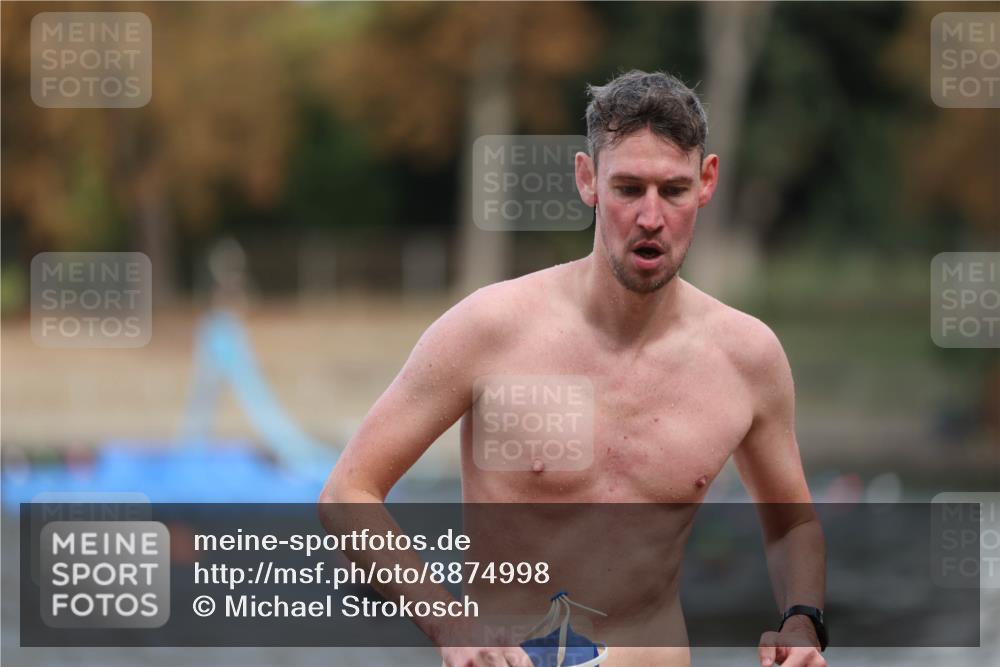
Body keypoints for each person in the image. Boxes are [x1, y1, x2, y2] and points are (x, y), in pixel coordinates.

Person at [320, 69, 827, 667]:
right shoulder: (489, 330)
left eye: (674, 190)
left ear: (707, 181)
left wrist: (802, 622)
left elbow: (792, 527)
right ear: (587, 181)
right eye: (628, 188)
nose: (650, 217)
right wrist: (450, 621)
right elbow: (347, 494)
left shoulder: (748, 357)